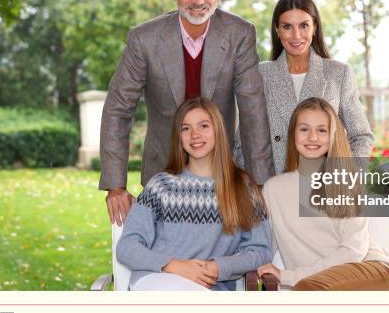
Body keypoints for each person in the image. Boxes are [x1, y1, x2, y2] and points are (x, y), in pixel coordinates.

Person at [99, 0, 274, 225]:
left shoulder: (239, 34)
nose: (198, 0)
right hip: (162, 170)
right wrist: (116, 186)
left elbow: (253, 109)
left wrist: (261, 183)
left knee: (225, 254)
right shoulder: (143, 39)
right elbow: (118, 109)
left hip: (221, 172)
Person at [116, 97, 272, 291]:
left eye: (204, 126)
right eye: (186, 128)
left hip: (209, 287)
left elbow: (260, 250)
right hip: (157, 280)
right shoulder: (161, 185)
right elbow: (127, 248)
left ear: (218, 131)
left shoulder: (243, 187)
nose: (195, 135)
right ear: (179, 138)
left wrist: (220, 267)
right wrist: (174, 266)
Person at [257, 97, 389, 290]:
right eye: (304, 129)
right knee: (308, 289)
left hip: (369, 270)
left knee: (307, 290)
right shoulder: (273, 189)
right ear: (293, 134)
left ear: (332, 135)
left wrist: (291, 276)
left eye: (321, 130)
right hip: (314, 283)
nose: (312, 137)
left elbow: (353, 251)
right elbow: (263, 245)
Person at [260, 0, 373, 174]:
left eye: (304, 25)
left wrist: (346, 180)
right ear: (277, 30)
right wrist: (259, 186)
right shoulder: (261, 75)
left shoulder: (339, 73)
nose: (296, 35)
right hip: (275, 188)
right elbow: (246, 140)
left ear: (315, 27)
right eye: (287, 26)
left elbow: (361, 135)